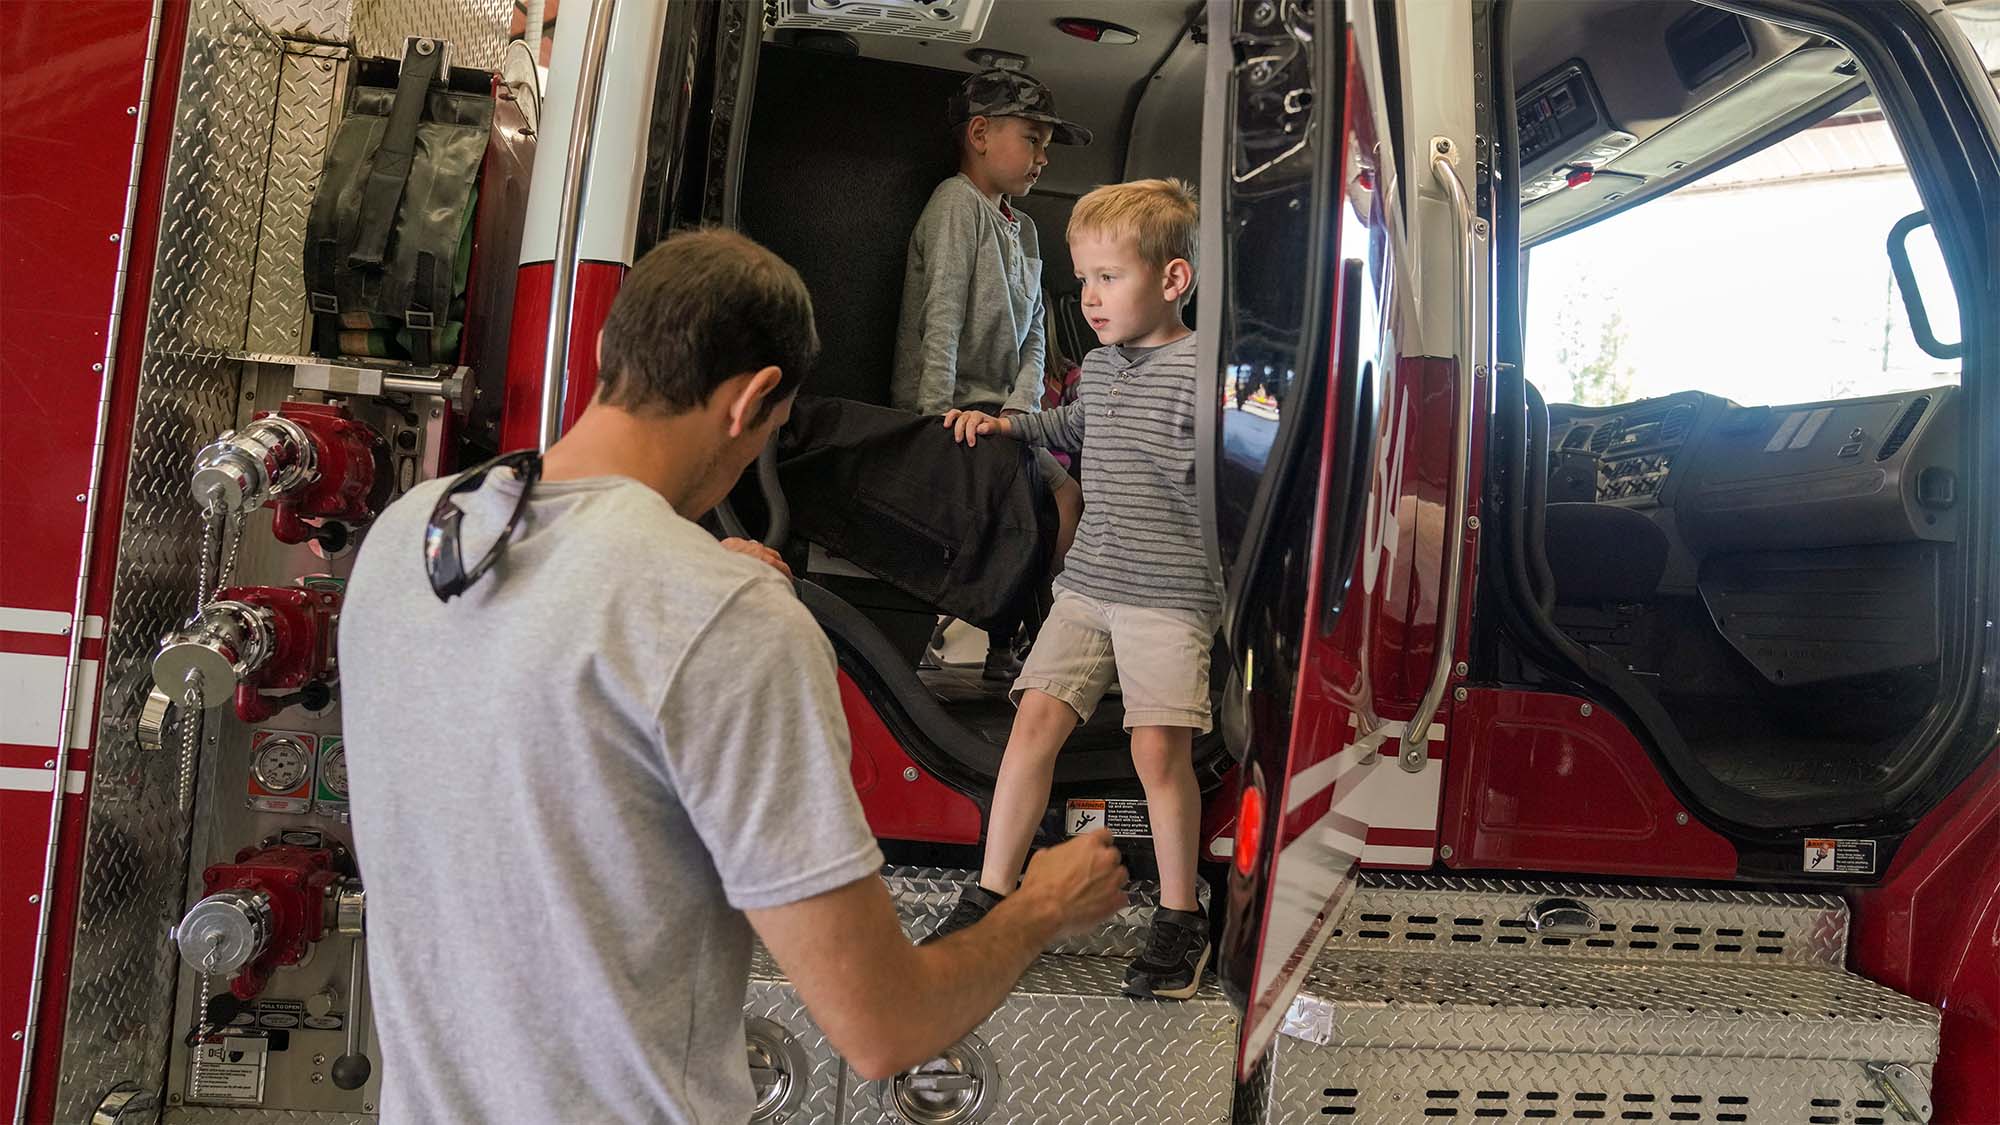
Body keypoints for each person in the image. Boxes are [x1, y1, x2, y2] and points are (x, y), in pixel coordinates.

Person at [339, 229, 1128, 1124]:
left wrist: (720, 594)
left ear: (609, 349)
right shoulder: (728, 620)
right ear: (755, 398)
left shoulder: (413, 537)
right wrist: (1039, 908)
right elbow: (885, 1025)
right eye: (773, 427)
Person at [928, 180, 1220, 1001]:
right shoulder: (1097, 362)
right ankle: (993, 893)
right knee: (1031, 729)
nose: (1089, 298)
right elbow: (1071, 425)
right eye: (1082, 279)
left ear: (1172, 280)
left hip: (1167, 593)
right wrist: (1004, 424)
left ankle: (1177, 920)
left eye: (1109, 278)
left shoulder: (1204, 372)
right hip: (1089, 582)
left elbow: (1230, 476)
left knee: (1156, 752)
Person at [893, 68, 1088, 680]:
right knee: (1016, 508)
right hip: (950, 409)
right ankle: (1008, 634)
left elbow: (1036, 332)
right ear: (980, 134)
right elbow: (941, 319)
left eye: (1046, 145)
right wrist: (930, 422)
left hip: (1000, 416)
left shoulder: (1025, 229)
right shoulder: (956, 205)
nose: (1043, 158)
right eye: (1032, 139)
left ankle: (1021, 634)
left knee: (1063, 498)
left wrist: (1020, 411)